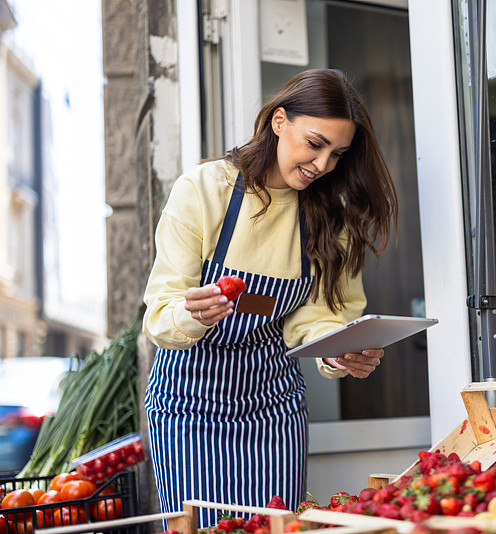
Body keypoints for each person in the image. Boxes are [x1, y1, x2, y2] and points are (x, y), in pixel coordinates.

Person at [141, 69, 398, 523]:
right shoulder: (204, 191)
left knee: (274, 528)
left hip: (272, 410)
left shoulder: (329, 220)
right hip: (187, 409)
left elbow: (318, 318)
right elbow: (160, 316)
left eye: (337, 154)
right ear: (279, 121)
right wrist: (192, 313)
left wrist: (339, 351)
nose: (323, 165)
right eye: (315, 144)